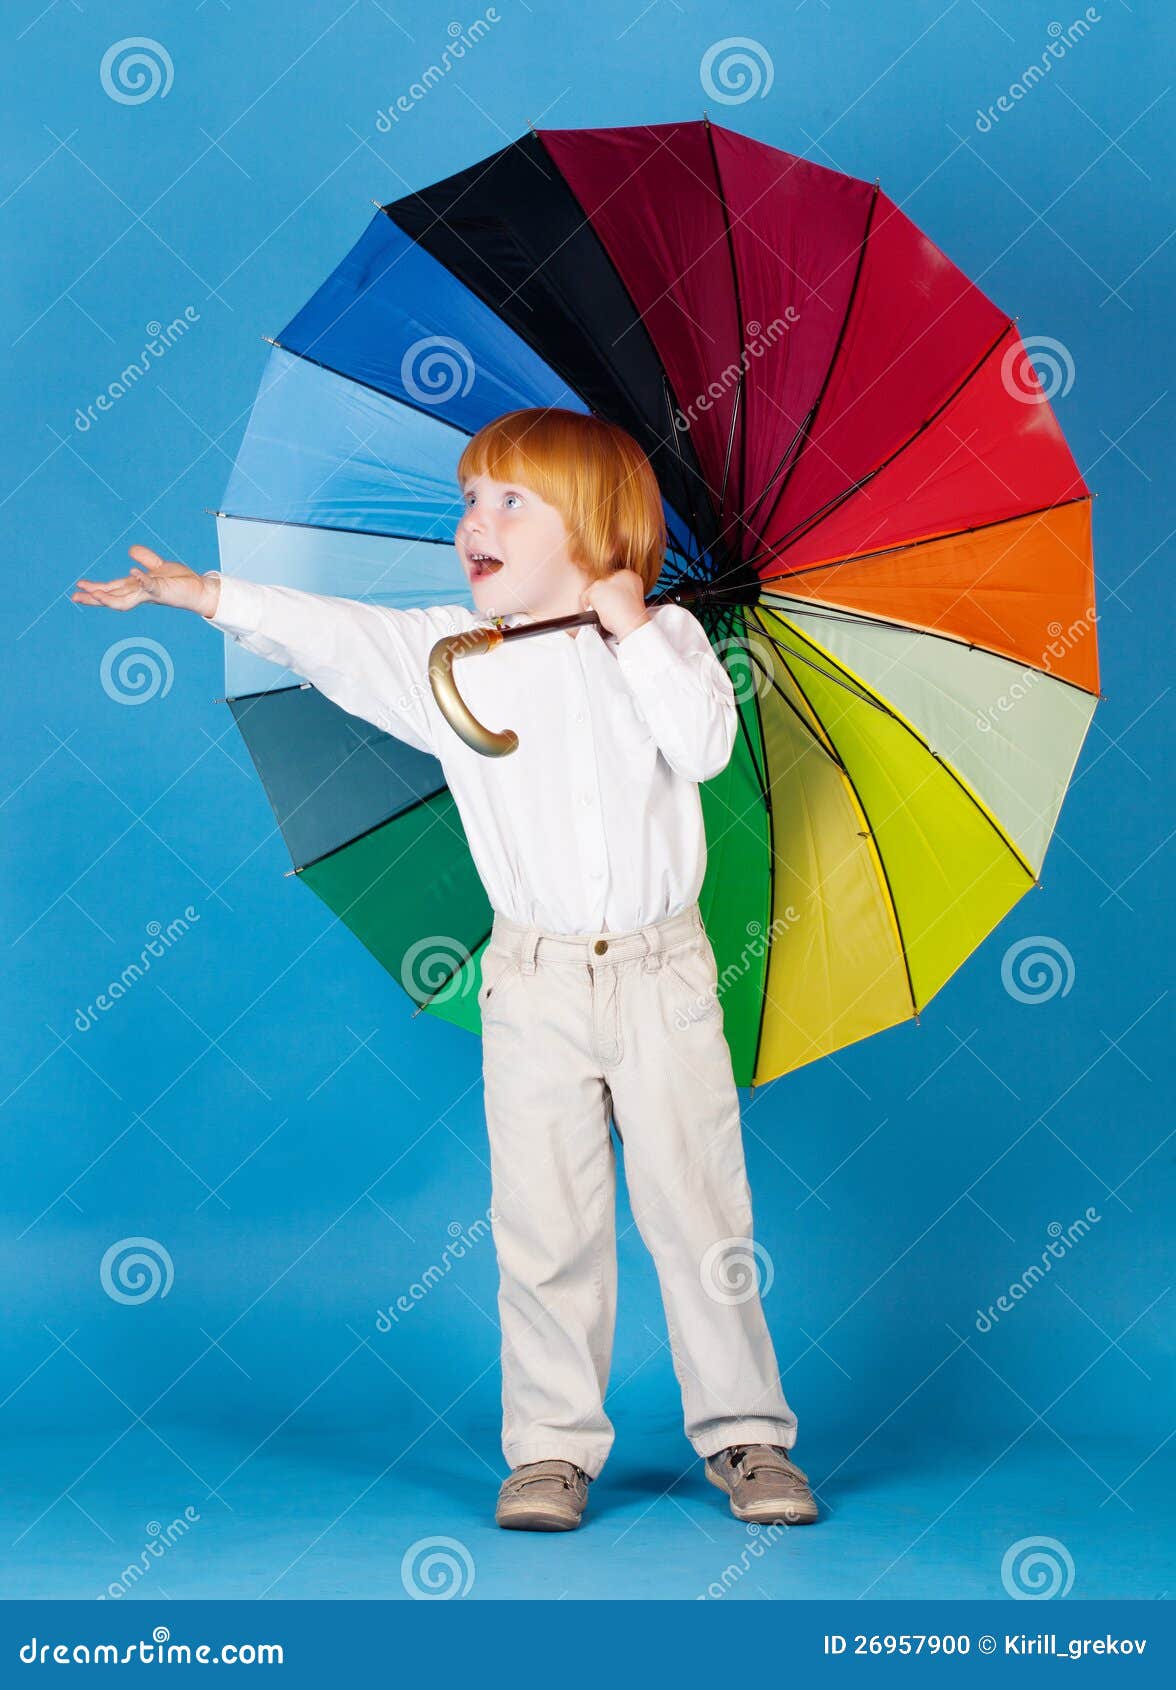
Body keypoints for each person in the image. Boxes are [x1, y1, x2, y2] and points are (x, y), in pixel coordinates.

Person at [72, 406, 818, 1533]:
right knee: (544, 1222)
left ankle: (748, 1434)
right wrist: (205, 595)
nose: (475, 519)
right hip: (534, 981)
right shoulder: (448, 661)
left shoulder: (663, 644)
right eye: (471, 499)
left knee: (699, 1213)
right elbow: (330, 635)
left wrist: (637, 623)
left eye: (510, 499)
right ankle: (553, 1448)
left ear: (600, 532)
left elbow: (705, 743)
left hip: (664, 976)